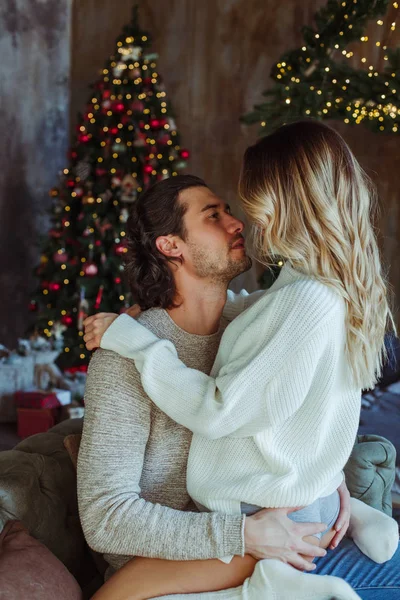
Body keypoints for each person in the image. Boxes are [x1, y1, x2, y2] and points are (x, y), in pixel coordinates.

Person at [82, 122, 400, 600]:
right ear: (171, 246)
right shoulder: (124, 358)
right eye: (213, 216)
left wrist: (318, 480)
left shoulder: (259, 318)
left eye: (230, 210)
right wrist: (245, 535)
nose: (238, 223)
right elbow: (107, 518)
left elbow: (301, 407)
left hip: (272, 533)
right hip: (184, 568)